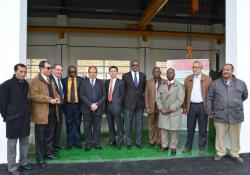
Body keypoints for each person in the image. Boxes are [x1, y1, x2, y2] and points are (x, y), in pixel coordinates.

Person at [207, 64, 248, 163]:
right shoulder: (215, 83)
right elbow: (210, 97)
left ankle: (235, 154)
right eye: (223, 70)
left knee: (235, 136)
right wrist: (210, 111)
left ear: (232, 71)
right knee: (220, 135)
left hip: (236, 115)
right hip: (220, 114)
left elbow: (245, 96)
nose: (225, 71)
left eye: (227, 70)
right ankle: (220, 152)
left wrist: (233, 103)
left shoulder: (241, 83)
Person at [0, 64, 31, 175]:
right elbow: (2, 104)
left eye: (24, 72)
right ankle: (12, 167)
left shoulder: (26, 84)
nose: (23, 74)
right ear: (15, 71)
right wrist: (7, 117)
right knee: (12, 145)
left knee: (24, 143)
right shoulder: (5, 85)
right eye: (21, 71)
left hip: (25, 119)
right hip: (12, 119)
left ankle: (23, 163)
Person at [30, 60, 61, 167]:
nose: (50, 70)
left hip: (52, 112)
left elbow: (56, 92)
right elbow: (34, 96)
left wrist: (57, 98)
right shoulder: (35, 80)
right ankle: (40, 158)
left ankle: (48, 153)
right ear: (41, 69)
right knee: (40, 137)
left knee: (49, 135)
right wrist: (49, 100)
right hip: (41, 113)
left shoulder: (50, 80)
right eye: (48, 68)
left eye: (50, 68)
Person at [182, 61, 212, 155]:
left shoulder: (208, 79)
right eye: (193, 67)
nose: (194, 69)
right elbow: (185, 94)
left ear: (201, 68)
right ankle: (188, 146)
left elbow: (211, 95)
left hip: (202, 106)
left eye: (196, 67)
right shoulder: (188, 79)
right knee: (190, 127)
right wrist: (184, 107)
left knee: (203, 128)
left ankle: (202, 147)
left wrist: (209, 108)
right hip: (191, 106)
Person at [156, 68, 185, 154]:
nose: (169, 74)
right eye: (168, 73)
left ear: (174, 74)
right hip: (163, 111)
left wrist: (170, 109)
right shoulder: (162, 85)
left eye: (171, 73)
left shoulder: (179, 86)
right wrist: (161, 108)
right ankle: (164, 145)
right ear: (166, 74)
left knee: (174, 130)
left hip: (174, 112)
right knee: (163, 129)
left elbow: (180, 100)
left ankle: (173, 147)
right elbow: (157, 98)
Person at [80, 66, 106, 151]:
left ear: (96, 73)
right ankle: (88, 144)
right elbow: (81, 95)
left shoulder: (101, 82)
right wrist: (90, 104)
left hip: (98, 109)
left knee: (97, 128)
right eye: (91, 72)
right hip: (86, 109)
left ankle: (97, 143)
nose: (92, 74)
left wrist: (97, 104)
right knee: (87, 128)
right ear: (88, 73)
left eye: (94, 72)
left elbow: (104, 96)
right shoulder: (83, 82)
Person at [122, 60, 146, 149]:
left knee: (139, 125)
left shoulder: (143, 76)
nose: (135, 66)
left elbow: (143, 89)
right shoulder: (125, 76)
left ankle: (138, 142)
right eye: (133, 65)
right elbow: (123, 90)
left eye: (137, 65)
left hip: (139, 104)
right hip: (128, 104)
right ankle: (128, 143)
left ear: (139, 66)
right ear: (131, 66)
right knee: (128, 125)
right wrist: (124, 103)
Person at [62, 66, 83, 149]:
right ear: (68, 72)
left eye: (75, 72)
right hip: (68, 106)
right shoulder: (63, 81)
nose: (73, 73)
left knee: (78, 124)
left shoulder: (81, 80)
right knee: (69, 124)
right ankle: (70, 143)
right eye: (71, 72)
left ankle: (78, 143)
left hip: (78, 105)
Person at [105, 66, 125, 150]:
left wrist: (119, 107)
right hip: (108, 106)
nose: (112, 72)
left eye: (114, 71)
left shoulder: (121, 83)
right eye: (111, 71)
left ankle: (119, 143)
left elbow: (123, 96)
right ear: (109, 72)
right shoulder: (106, 82)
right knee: (110, 126)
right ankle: (112, 141)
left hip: (117, 107)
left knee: (119, 126)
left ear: (117, 72)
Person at [145, 67, 162, 147]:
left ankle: (159, 140)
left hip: (161, 107)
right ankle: (151, 141)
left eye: (158, 71)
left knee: (160, 125)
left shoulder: (164, 82)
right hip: (151, 106)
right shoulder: (148, 82)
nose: (156, 72)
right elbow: (146, 95)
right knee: (151, 125)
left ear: (160, 72)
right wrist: (147, 106)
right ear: (152, 72)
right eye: (154, 71)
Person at [51, 63, 64, 152]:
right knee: (52, 128)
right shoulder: (50, 79)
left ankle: (55, 144)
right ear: (53, 70)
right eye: (58, 69)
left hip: (60, 107)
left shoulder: (60, 80)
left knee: (58, 127)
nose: (59, 71)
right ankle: (51, 147)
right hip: (52, 107)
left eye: (61, 70)